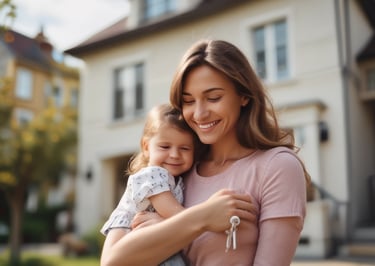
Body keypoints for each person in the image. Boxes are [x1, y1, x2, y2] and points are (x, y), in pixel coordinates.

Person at [100, 39, 310, 266]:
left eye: (213, 98)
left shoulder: (276, 167)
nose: (199, 114)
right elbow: (112, 262)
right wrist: (203, 217)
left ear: (244, 96)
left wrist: (165, 231)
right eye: (188, 101)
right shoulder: (174, 169)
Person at [100, 103, 201, 265]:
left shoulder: (178, 180)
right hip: (131, 238)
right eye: (165, 146)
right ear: (146, 147)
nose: (175, 155)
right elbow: (173, 212)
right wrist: (206, 219)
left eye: (184, 148)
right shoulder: (152, 174)